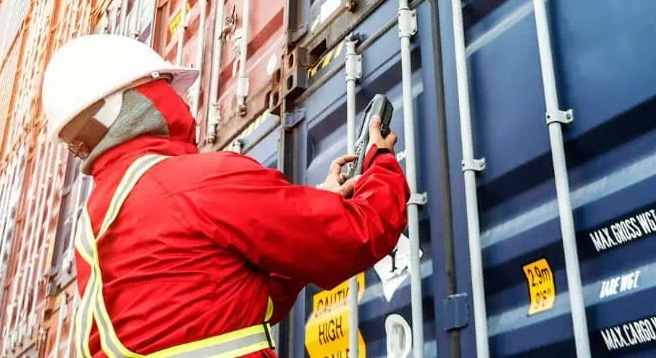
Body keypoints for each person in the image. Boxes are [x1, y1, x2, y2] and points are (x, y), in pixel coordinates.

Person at [41, 34, 411, 358]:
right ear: (134, 102)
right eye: (167, 87)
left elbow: (232, 304)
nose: (181, 101)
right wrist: (380, 162)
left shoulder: (99, 219)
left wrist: (320, 205)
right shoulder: (197, 181)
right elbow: (352, 237)